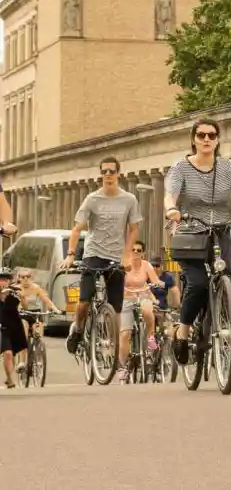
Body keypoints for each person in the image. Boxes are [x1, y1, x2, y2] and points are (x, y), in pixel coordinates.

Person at [164, 118, 231, 365]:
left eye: (211, 135)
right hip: (191, 234)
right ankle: (184, 331)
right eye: (201, 135)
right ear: (193, 139)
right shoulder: (180, 168)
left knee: (226, 277)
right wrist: (172, 210)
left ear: (217, 140)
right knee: (197, 283)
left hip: (220, 232)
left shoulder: (227, 167)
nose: (206, 139)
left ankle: (218, 322)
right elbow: (170, 196)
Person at [62, 156, 142, 355]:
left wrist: (127, 256)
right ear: (100, 175)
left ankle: (110, 343)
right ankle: (78, 328)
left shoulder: (129, 199)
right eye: (104, 171)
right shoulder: (92, 199)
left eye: (111, 171)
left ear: (118, 174)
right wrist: (70, 255)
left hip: (116, 257)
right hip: (93, 254)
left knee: (115, 308)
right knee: (84, 301)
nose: (108, 175)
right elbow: (77, 229)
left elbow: (133, 230)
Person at [117, 240, 163, 383]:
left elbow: (154, 280)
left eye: (139, 250)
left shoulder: (146, 265)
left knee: (148, 311)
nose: (136, 252)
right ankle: (122, 367)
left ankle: (150, 338)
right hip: (127, 298)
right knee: (125, 333)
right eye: (133, 250)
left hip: (143, 295)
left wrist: (158, 283)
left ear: (143, 253)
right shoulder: (124, 265)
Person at [0, 268, 25, 388]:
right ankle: (10, 379)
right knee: (8, 353)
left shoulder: (15, 292)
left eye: (5, 280)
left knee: (11, 353)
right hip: (1, 327)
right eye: (1, 280)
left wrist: (22, 297)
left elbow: (24, 306)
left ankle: (9, 378)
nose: (3, 283)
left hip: (12, 326)